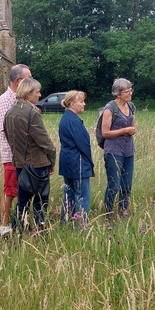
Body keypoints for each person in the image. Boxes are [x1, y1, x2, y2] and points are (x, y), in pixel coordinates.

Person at [4, 78, 56, 233]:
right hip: (37, 166)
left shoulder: (10, 112)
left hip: (20, 165)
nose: (40, 95)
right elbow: (46, 143)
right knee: (40, 202)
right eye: (37, 92)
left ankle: (17, 233)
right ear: (28, 93)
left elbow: (8, 138)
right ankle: (39, 233)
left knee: (22, 202)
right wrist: (52, 161)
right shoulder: (31, 114)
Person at [0, 64, 32, 238]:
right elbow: (7, 130)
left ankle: (23, 221)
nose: (32, 81)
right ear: (18, 81)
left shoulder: (23, 99)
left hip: (25, 155)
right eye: (29, 77)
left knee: (24, 190)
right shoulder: (6, 100)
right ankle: (4, 227)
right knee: (10, 191)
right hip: (12, 155)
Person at [101, 78, 136, 218]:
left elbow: (132, 127)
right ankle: (108, 213)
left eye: (130, 90)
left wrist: (130, 130)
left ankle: (123, 212)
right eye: (126, 91)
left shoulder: (132, 106)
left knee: (126, 186)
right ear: (118, 93)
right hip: (113, 151)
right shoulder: (110, 108)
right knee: (114, 185)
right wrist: (125, 130)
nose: (130, 93)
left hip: (129, 150)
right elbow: (105, 133)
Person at [59, 91, 94, 226]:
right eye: (81, 101)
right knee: (81, 196)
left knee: (69, 195)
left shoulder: (65, 118)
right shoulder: (73, 121)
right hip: (78, 162)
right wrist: (89, 162)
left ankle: (66, 223)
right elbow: (83, 144)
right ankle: (81, 226)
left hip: (68, 162)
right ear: (72, 104)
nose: (84, 104)